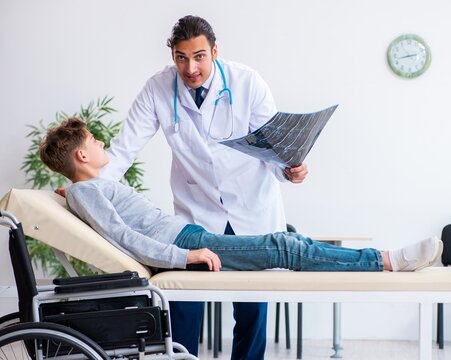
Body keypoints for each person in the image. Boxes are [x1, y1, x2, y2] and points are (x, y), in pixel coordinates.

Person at [41, 118, 443, 333]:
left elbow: (112, 222)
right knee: (286, 247)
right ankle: (388, 260)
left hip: (189, 236)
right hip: (187, 243)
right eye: (94, 141)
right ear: (81, 154)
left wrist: (68, 194)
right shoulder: (87, 192)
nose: (100, 144)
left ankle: (387, 258)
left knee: (286, 242)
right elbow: (125, 238)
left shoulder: (86, 190)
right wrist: (187, 256)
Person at [86, 15, 308, 358]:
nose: (190, 68)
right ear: (172, 55)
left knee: (252, 312)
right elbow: (123, 150)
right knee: (184, 305)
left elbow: (274, 150)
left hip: (253, 209)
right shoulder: (158, 89)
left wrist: (289, 171)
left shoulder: (246, 82)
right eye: (181, 57)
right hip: (197, 213)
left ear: (215, 51)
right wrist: (87, 188)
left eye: (199, 56)